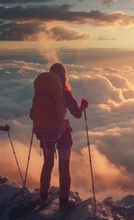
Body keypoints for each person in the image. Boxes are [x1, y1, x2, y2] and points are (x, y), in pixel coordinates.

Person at [39, 63, 88, 211]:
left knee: (47, 164)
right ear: (64, 75)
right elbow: (77, 114)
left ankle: (43, 198)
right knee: (64, 167)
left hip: (45, 133)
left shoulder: (42, 93)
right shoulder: (64, 93)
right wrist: (83, 106)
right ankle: (64, 202)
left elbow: (31, 114)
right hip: (62, 133)